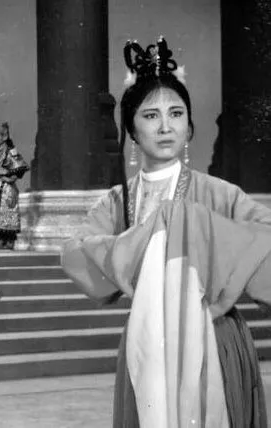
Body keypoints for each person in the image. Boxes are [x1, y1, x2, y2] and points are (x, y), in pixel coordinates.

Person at [62, 37, 271, 427]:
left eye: (176, 114)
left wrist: (199, 227)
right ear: (132, 129)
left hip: (215, 335)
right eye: (150, 115)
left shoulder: (220, 194)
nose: (165, 126)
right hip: (148, 339)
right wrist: (151, 238)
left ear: (189, 127)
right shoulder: (117, 201)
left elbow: (265, 238)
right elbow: (77, 251)